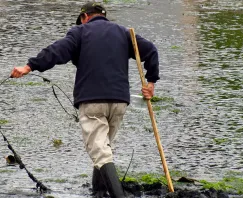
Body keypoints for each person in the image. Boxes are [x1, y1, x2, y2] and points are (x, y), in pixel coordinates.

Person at [10, 2, 160, 198]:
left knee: (101, 152)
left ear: (84, 17)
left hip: (92, 101)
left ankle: (117, 195)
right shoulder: (124, 33)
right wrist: (151, 83)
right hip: (119, 101)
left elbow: (57, 50)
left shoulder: (80, 32)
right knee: (103, 148)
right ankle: (99, 192)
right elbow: (151, 51)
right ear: (103, 15)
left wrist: (29, 66)